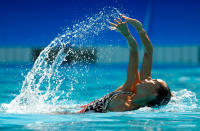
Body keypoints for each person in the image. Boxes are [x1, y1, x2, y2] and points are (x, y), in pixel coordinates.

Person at [64, 15, 172, 114]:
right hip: (75, 109)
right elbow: (144, 52)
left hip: (74, 116)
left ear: (153, 93)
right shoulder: (131, 87)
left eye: (152, 81)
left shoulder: (123, 106)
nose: (148, 78)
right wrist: (137, 30)